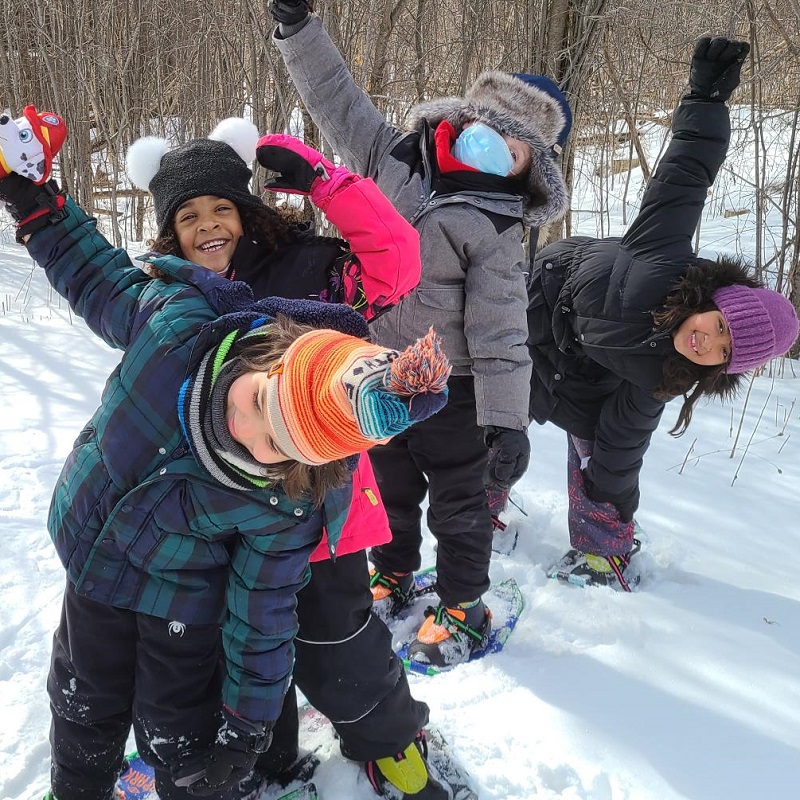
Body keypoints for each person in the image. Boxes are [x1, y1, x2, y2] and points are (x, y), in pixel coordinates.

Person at [0, 124, 452, 800]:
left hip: (297, 518)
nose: (255, 433)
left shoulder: (309, 272)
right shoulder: (175, 312)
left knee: (331, 654)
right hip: (147, 555)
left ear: (249, 212)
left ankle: (380, 745)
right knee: (140, 682)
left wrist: (323, 178)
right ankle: (248, 763)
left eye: (222, 209)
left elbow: (393, 260)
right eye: (190, 216)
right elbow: (94, 273)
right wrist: (33, 199)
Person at [268, 0, 573, 667]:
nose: (492, 148)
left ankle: (463, 603)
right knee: (388, 491)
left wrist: (508, 420)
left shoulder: (495, 226)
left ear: (527, 166)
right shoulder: (394, 159)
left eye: (513, 146)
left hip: (453, 391)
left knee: (460, 507)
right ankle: (394, 572)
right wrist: (298, 29)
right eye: (487, 131)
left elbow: (501, 331)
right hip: (375, 372)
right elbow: (335, 100)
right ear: (462, 122)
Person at [525, 37, 798, 589]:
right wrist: (706, 97)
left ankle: (602, 546)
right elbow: (685, 176)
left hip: (589, 360)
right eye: (718, 326)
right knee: (498, 415)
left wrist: (613, 502)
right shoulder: (662, 255)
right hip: (543, 295)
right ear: (711, 302)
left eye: (724, 354)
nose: (707, 343)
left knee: (602, 449)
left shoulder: (668, 377)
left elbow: (625, 442)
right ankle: (482, 504)